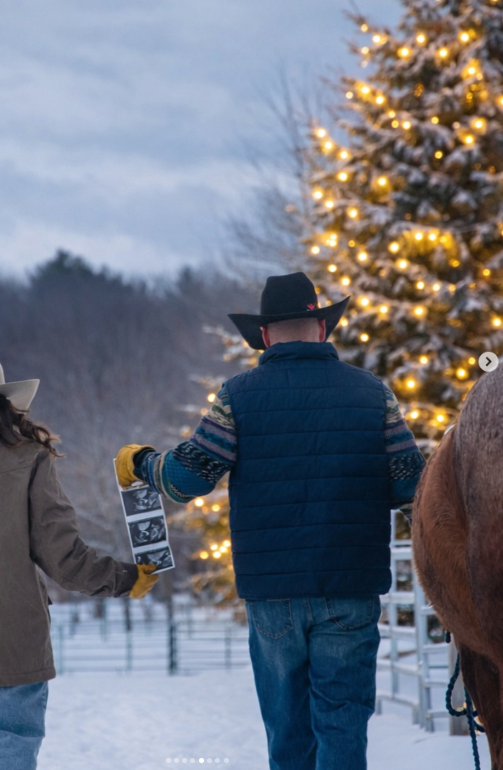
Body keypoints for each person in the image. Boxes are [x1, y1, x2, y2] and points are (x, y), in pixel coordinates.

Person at [115, 271, 425, 770]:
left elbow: (186, 479)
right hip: (350, 586)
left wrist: (142, 464)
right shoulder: (372, 393)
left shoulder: (238, 395)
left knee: (287, 732)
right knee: (342, 724)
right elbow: (412, 486)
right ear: (321, 328)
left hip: (272, 594)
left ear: (263, 335)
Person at [0, 348, 158, 770]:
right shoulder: (28, 456)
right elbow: (64, 557)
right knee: (8, 751)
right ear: (7, 402)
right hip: (10, 643)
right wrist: (127, 578)